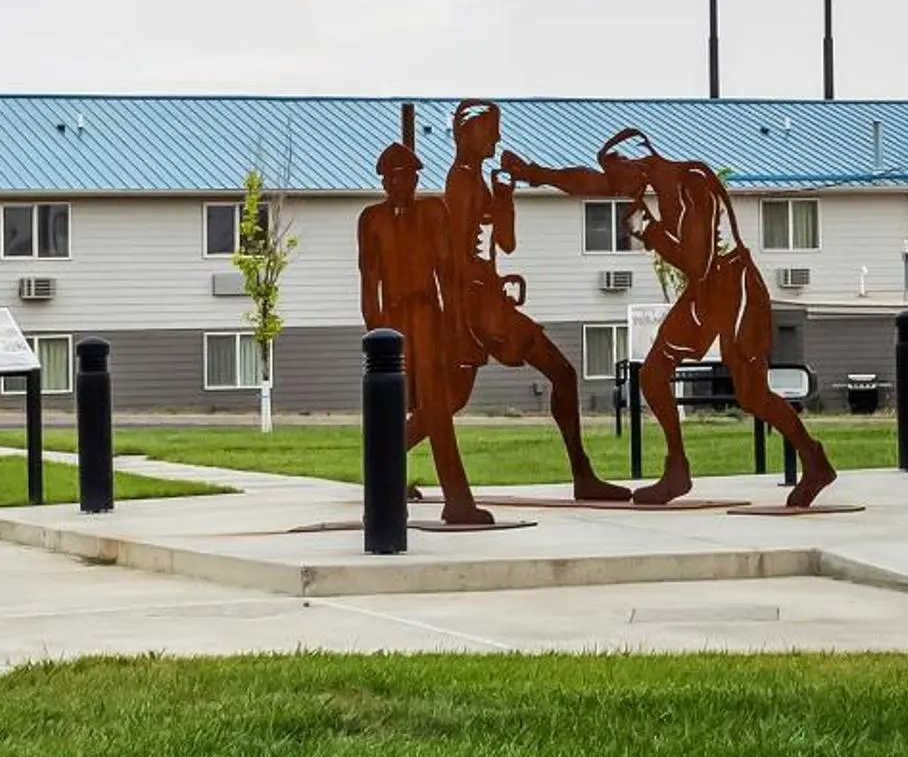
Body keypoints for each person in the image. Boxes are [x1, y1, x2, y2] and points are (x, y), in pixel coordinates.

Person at [503, 128, 836, 508]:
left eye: (619, 176)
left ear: (639, 161)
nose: (618, 188)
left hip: (734, 284)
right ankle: (677, 468)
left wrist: (648, 230)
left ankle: (814, 460)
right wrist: (535, 173)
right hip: (706, 290)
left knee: (752, 393)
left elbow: (698, 261)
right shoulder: (648, 181)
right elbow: (588, 182)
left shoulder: (692, 183)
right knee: (654, 372)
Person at [443, 101, 628, 502]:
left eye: (497, 129)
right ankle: (583, 475)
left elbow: (505, 241)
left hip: (488, 300)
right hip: (480, 308)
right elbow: (454, 255)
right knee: (559, 374)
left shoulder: (479, 181)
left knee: (451, 401)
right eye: (488, 130)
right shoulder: (460, 183)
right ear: (465, 134)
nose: (495, 137)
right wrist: (467, 313)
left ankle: (384, 470)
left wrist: (506, 196)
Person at [355, 142, 491, 526]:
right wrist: (376, 335)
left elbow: (447, 274)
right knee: (397, 404)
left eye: (411, 177)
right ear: (384, 182)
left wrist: (456, 326)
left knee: (437, 404)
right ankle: (384, 484)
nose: (405, 185)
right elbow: (369, 281)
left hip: (429, 318)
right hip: (393, 322)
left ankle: (457, 499)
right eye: (396, 178)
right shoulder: (372, 220)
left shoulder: (433, 211)